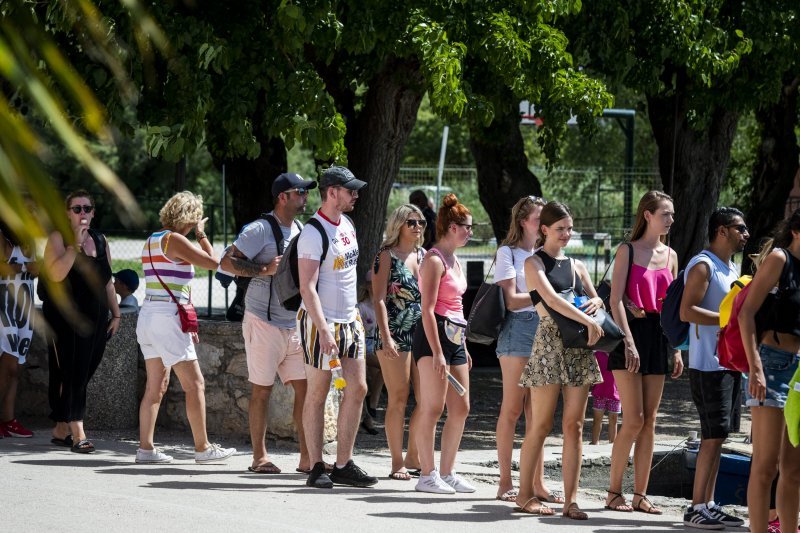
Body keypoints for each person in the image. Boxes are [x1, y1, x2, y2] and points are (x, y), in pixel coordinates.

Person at [219, 172, 316, 474]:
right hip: (262, 321)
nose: (305, 197)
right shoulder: (259, 229)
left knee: (306, 390)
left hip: (293, 323)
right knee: (261, 390)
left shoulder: (300, 228)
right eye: (299, 192)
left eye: (305, 192)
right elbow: (224, 262)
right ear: (282, 197)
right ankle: (259, 457)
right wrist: (263, 269)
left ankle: (306, 458)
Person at [515, 201, 604, 519]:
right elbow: (550, 299)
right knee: (539, 424)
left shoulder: (578, 265)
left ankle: (571, 500)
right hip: (550, 345)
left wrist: (595, 302)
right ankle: (524, 494)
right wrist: (587, 318)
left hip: (579, 347)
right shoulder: (533, 263)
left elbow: (595, 296)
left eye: (569, 228)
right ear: (544, 230)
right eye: (560, 229)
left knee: (575, 426)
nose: (567, 234)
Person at [136, 191, 236, 464]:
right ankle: (203, 448)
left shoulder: (152, 240)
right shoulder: (176, 240)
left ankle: (145, 449)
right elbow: (215, 263)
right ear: (189, 217)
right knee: (195, 385)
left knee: (155, 386)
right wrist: (203, 235)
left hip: (148, 315)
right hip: (168, 317)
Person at [296, 166, 377, 489]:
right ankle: (316, 466)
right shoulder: (313, 232)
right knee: (317, 393)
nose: (355, 195)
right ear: (332, 192)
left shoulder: (347, 224)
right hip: (321, 321)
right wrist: (324, 329)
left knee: (357, 388)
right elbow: (307, 287)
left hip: (349, 318)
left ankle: (343, 463)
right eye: (350, 190)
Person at [605, 191, 683, 514]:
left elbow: (676, 308)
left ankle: (640, 494)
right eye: (666, 213)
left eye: (672, 214)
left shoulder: (672, 255)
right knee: (633, 418)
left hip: (660, 336)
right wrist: (628, 340)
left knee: (650, 420)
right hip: (630, 334)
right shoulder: (627, 250)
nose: (671, 219)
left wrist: (678, 349)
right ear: (648, 215)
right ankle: (612, 492)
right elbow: (615, 299)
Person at [680, 207, 749, 529]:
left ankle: (708, 503)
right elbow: (687, 311)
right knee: (711, 436)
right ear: (722, 231)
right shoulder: (703, 265)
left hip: (728, 363)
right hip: (708, 364)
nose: (745, 234)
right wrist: (728, 320)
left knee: (718, 436)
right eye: (740, 228)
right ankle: (695, 508)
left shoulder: (730, 266)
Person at [493, 195, 562, 504]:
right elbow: (511, 300)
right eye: (538, 218)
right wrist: (545, 297)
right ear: (524, 222)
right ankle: (505, 481)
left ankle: (538, 483)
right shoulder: (508, 253)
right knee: (513, 408)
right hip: (517, 332)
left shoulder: (543, 255)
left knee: (539, 413)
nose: (543, 224)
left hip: (545, 332)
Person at [41, 190, 121, 453]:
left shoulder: (100, 240)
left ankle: (61, 427)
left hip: (96, 318)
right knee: (73, 372)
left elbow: (107, 280)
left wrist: (116, 314)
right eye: (77, 209)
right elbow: (55, 274)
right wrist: (73, 245)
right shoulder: (57, 238)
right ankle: (78, 433)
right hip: (66, 318)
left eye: (87, 208)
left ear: (93, 212)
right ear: (67, 213)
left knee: (84, 371)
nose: (82, 213)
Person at [739, 209, 800, 533]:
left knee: (793, 470)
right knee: (765, 466)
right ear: (797, 231)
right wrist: (756, 367)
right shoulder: (779, 258)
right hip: (772, 363)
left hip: (799, 372)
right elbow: (746, 314)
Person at [413, 193, 474, 495]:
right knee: (433, 407)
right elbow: (427, 309)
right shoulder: (434, 259)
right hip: (433, 334)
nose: (470, 232)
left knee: (461, 406)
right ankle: (427, 474)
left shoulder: (455, 259)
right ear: (452, 227)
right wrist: (437, 352)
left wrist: (464, 346)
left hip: (455, 335)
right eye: (467, 227)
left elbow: (458, 306)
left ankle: (448, 472)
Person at [371, 203, 426, 480]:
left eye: (421, 223)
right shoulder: (386, 255)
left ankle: (414, 455)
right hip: (394, 331)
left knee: (427, 398)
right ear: (399, 225)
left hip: (421, 333)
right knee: (399, 397)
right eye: (412, 222)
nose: (418, 228)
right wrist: (386, 336)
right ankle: (396, 462)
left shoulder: (424, 255)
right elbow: (378, 298)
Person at [0, 219, 37, 439]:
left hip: (25, 311)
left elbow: (38, 269)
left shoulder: (29, 240)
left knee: (16, 370)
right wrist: (24, 268)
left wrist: (21, 269)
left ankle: (9, 420)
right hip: (4, 309)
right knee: (8, 367)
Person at [356, 276, 382, 436]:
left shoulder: (383, 305)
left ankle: (369, 416)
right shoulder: (362, 307)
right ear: (368, 286)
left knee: (378, 376)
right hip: (365, 346)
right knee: (385, 369)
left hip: (378, 346)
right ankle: (372, 406)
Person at [590, 351, 620, 445]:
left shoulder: (619, 355)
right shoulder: (597, 355)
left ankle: (612, 443)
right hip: (599, 393)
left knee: (614, 420)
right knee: (597, 419)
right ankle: (595, 442)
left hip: (615, 395)